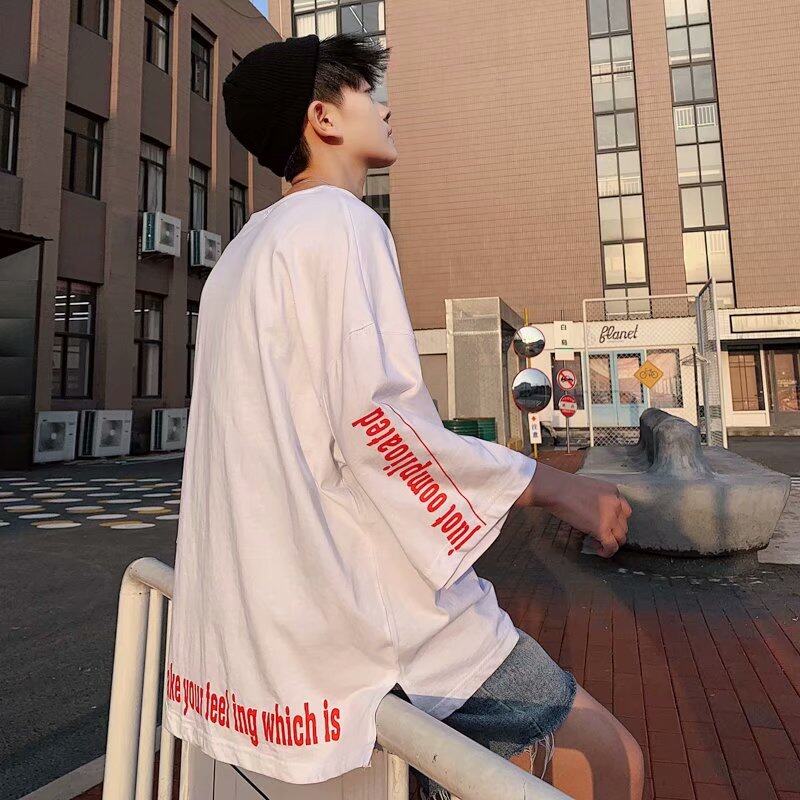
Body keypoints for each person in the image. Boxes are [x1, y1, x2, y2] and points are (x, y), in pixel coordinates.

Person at [164, 32, 643, 800]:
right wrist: (558, 489)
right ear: (323, 118)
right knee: (609, 760)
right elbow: (381, 430)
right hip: (373, 619)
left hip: (266, 635)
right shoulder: (341, 225)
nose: (384, 107)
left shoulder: (241, 257)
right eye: (363, 90)